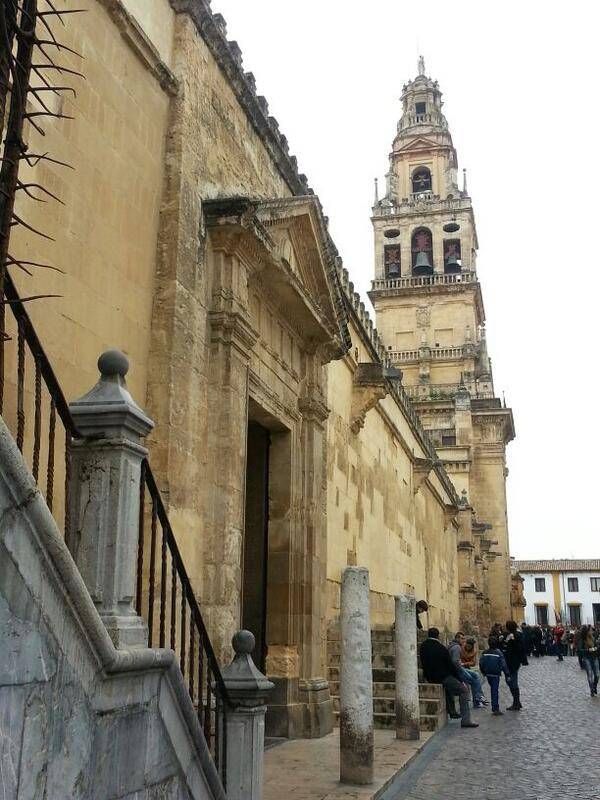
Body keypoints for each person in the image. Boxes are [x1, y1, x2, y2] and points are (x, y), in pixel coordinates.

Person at [419, 627, 478, 728]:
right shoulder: (441, 648)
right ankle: (466, 720)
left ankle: (452, 711)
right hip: (442, 676)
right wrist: (459, 679)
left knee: (449, 690)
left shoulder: (423, 646)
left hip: (429, 676)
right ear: (438, 636)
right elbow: (451, 665)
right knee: (463, 690)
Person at [448, 631, 486, 708]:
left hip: (463, 667)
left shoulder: (472, 651)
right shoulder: (458, 647)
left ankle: (478, 699)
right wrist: (462, 664)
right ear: (457, 638)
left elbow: (473, 663)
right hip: (458, 669)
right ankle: (478, 698)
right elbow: (456, 662)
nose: (464, 641)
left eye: (464, 639)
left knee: (476, 675)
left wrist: (464, 664)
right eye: (462, 639)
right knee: (474, 680)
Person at [479, 636, 510, 716]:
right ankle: (495, 708)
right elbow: (503, 664)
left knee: (493, 689)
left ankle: (495, 707)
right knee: (494, 690)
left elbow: (481, 663)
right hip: (495, 674)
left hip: (488, 673)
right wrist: (507, 674)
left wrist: (483, 672)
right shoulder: (498, 653)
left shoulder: (485, 652)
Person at [504, 620, 527, 711]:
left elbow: (520, 648)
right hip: (508, 661)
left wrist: (513, 640)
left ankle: (516, 703)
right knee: (509, 681)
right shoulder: (508, 634)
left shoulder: (517, 635)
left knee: (512, 681)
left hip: (514, 662)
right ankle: (517, 702)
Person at [578, 624, 599, 697]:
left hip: (594, 657)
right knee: (590, 674)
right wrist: (588, 650)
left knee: (597, 675)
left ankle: (594, 686)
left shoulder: (593, 638)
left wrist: (596, 648)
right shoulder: (582, 639)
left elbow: (596, 646)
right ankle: (592, 690)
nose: (591, 631)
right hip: (587, 658)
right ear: (586, 631)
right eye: (590, 630)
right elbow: (580, 649)